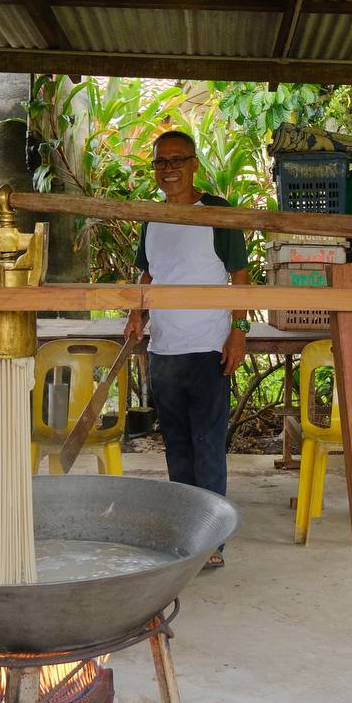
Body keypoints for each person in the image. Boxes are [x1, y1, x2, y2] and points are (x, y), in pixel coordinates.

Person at [123, 129, 249, 570]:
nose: (169, 168)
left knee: (207, 445)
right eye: (161, 162)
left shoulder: (218, 214)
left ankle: (212, 540)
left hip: (209, 347)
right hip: (166, 349)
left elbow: (240, 277)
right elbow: (147, 278)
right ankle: (186, 532)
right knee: (176, 445)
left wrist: (239, 330)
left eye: (178, 160)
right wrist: (136, 315)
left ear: (195, 164)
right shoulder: (151, 218)